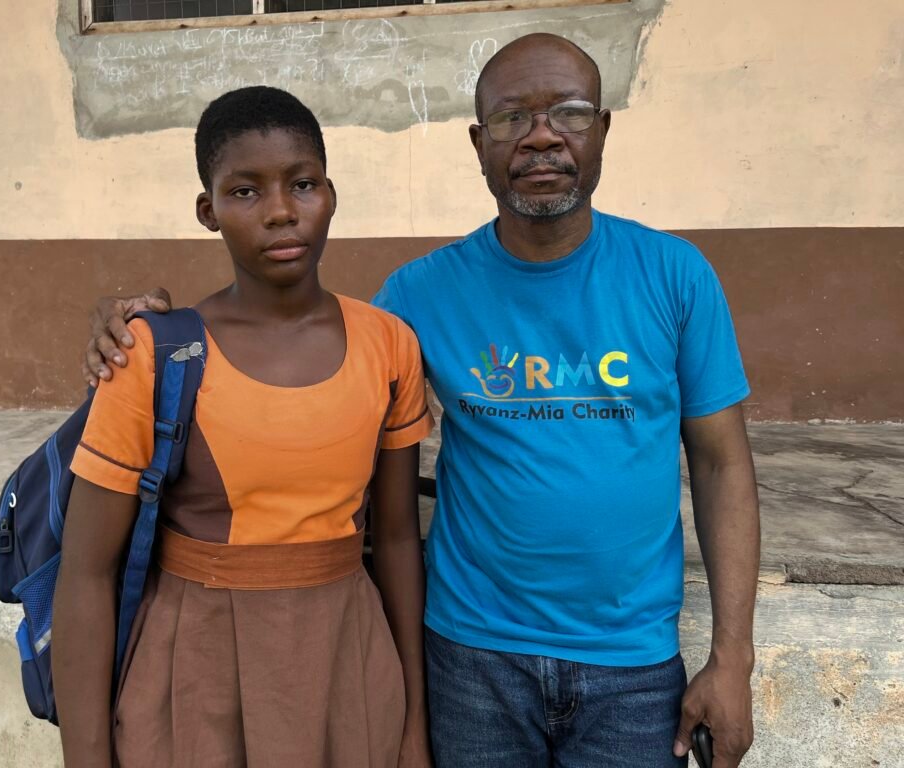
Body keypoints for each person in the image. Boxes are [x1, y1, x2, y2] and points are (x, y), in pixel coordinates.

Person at [82, 34, 760, 768]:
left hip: (632, 665)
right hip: (472, 657)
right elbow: (306, 347)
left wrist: (733, 658)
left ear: (602, 129)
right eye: (510, 118)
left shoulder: (676, 276)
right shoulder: (418, 295)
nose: (540, 137)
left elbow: (722, 465)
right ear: (477, 143)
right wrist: (144, 327)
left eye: (568, 112)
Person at [52, 86, 435, 768]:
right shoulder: (155, 355)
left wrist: (412, 725)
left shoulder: (389, 344)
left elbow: (400, 539)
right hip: (196, 668)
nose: (281, 211)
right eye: (246, 191)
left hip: (347, 660)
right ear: (209, 210)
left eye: (303, 184)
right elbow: (86, 575)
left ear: (331, 195)